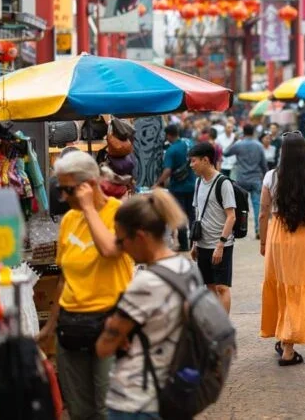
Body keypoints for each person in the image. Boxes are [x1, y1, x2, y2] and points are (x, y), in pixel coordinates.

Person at [39, 151, 134, 420]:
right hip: (71, 326)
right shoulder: (69, 220)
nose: (63, 197)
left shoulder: (121, 214)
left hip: (111, 323)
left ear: (89, 184)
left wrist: (90, 208)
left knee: (110, 407)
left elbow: (109, 250)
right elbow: (64, 279)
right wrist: (50, 326)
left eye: (67, 190)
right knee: (80, 409)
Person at [95, 189, 194, 420]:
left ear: (140, 237)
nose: (120, 248)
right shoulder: (186, 269)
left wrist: (114, 326)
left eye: (121, 240)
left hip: (137, 398)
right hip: (174, 391)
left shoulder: (146, 283)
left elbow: (104, 347)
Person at [259, 132, 305, 366]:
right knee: (297, 286)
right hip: (304, 237)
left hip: (278, 234)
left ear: (282, 152)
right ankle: (288, 346)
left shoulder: (271, 176)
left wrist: (262, 242)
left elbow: (263, 212)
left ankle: (285, 340)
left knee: (281, 284)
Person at [189, 142, 237, 313]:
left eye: (193, 161)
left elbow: (231, 216)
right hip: (203, 244)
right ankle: (214, 326)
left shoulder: (223, 183)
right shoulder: (198, 183)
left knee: (222, 288)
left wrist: (221, 244)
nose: (191, 165)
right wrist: (195, 244)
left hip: (221, 244)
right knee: (209, 287)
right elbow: (198, 213)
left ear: (206, 160)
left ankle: (224, 330)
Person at [154, 124, 196, 252]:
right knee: (192, 215)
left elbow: (167, 170)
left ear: (168, 135)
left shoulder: (172, 150)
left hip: (178, 188)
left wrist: (158, 183)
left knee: (180, 216)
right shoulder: (189, 143)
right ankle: (194, 242)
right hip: (192, 185)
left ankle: (183, 245)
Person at [222, 124, 268, 240]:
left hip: (241, 179)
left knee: (238, 205)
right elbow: (263, 165)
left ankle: (236, 229)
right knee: (257, 204)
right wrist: (266, 177)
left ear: (243, 132)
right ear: (253, 132)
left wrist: (234, 140)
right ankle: (258, 230)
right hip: (255, 179)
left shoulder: (239, 145)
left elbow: (226, 153)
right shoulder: (259, 146)